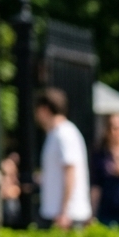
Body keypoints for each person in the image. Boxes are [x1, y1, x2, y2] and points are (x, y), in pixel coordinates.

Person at [34, 88, 91, 229]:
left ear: (45, 109)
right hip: (58, 213)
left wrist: (64, 212)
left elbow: (71, 171)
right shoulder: (55, 134)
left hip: (66, 216)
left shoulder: (64, 134)